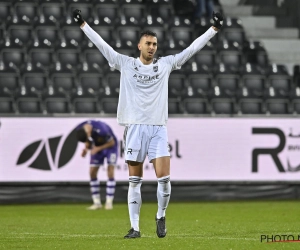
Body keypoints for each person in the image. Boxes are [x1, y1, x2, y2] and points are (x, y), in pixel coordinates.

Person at [73, 9, 223, 238]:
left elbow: (191, 49)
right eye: (148, 43)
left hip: (158, 128)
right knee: (135, 181)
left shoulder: (165, 64)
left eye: (155, 44)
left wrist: (213, 30)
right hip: (134, 128)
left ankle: (161, 216)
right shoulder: (125, 63)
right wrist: (83, 24)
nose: (152, 47)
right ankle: (135, 228)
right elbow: (102, 45)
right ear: (139, 46)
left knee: (164, 179)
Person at [76, 120, 118, 210]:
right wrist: (86, 149)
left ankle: (109, 202)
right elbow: (88, 140)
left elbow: (112, 142)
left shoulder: (102, 129)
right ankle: (97, 203)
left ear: (88, 132)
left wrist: (97, 148)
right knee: (92, 172)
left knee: (110, 170)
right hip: (97, 145)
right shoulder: (80, 127)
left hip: (110, 147)